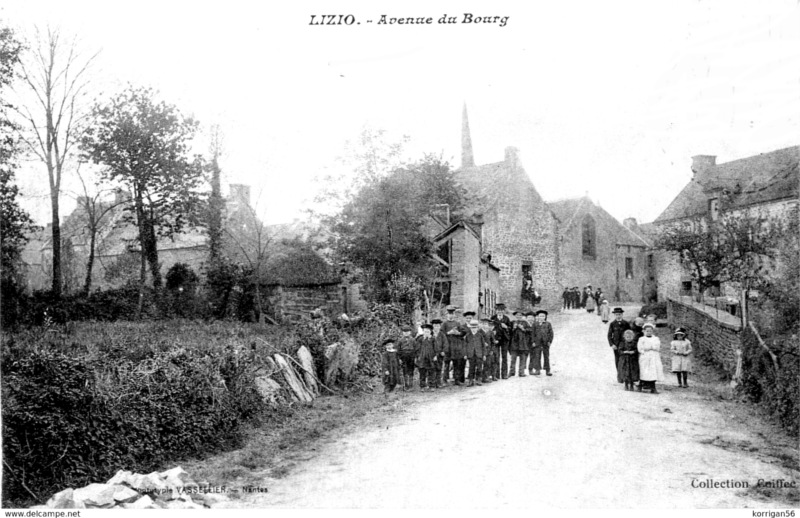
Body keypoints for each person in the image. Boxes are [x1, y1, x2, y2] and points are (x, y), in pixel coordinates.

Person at [441, 305, 466, 385]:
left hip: (455, 347)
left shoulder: (457, 323)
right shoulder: (444, 324)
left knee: (456, 363)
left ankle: (456, 379)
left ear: (454, 315)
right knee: (446, 363)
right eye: (449, 314)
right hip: (447, 346)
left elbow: (464, 332)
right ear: (447, 315)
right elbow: (441, 334)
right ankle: (445, 379)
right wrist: (449, 333)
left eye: (452, 314)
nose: (451, 315)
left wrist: (458, 333)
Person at [637, 322, 664, 393]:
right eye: (647, 331)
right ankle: (640, 385)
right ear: (644, 331)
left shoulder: (656, 339)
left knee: (653, 371)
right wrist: (647, 348)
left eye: (650, 331)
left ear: (652, 331)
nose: (649, 332)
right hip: (645, 356)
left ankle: (653, 387)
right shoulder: (642, 339)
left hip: (654, 356)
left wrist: (650, 347)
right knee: (644, 370)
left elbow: (657, 347)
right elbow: (640, 348)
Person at [490, 303, 513, 379]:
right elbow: (490, 327)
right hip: (495, 340)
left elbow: (510, 328)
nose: (500, 312)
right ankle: (496, 374)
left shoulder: (506, 318)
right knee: (496, 356)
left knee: (504, 357)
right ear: (496, 311)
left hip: (504, 340)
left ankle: (504, 374)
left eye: (501, 310)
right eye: (498, 310)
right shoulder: (493, 318)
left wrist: (506, 327)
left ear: (504, 311)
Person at [607, 307, 630, 378]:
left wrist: (628, 342)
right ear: (614, 315)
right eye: (616, 314)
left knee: (625, 360)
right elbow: (609, 335)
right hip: (616, 345)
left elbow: (630, 333)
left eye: (619, 314)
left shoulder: (626, 323)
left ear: (622, 315)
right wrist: (612, 344)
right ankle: (619, 375)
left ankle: (626, 375)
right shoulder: (612, 324)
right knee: (617, 360)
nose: (618, 316)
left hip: (624, 344)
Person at [530, 309, 554, 376]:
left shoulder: (548, 324)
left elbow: (551, 333)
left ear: (545, 317)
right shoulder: (535, 324)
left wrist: (549, 341)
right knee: (537, 356)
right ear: (538, 317)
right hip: (537, 343)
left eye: (543, 316)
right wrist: (533, 342)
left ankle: (547, 370)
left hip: (545, 343)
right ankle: (537, 370)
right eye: (540, 316)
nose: (541, 317)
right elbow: (532, 334)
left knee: (546, 356)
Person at [464, 318, 486, 386]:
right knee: (471, 368)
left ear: (477, 328)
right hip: (471, 354)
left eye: (475, 328)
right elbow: (465, 345)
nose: (473, 329)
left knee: (479, 367)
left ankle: (478, 380)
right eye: (472, 328)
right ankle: (471, 380)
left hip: (479, 354)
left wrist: (484, 354)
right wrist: (465, 354)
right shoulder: (468, 336)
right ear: (470, 328)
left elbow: (483, 346)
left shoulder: (480, 335)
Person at [415, 324, 437, 392]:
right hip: (422, 358)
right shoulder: (420, 339)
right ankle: (422, 386)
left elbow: (436, 348)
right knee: (422, 373)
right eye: (425, 331)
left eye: (428, 331)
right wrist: (418, 356)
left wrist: (436, 355)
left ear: (430, 332)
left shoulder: (433, 339)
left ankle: (432, 385)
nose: (426, 333)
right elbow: (417, 349)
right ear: (423, 331)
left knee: (431, 372)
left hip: (431, 358)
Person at [509, 310, 530, 376]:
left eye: (520, 315)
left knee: (522, 358)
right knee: (513, 358)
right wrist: (513, 328)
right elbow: (508, 331)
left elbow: (530, 330)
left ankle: (521, 372)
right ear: (515, 316)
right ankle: (512, 372)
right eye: (517, 315)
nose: (519, 316)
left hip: (522, 343)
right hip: (514, 343)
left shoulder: (525, 323)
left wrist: (523, 329)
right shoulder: (512, 322)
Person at [397, 325, 417, 391]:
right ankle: (406, 385)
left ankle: (411, 385)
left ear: (410, 332)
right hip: (403, 356)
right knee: (405, 370)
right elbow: (398, 350)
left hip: (411, 356)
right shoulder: (400, 340)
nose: (406, 333)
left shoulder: (413, 340)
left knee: (411, 370)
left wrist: (416, 357)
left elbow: (416, 349)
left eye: (407, 331)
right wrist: (399, 358)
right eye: (404, 331)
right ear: (402, 332)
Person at [431, 318, 448, 389]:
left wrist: (444, 351)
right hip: (432, 355)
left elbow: (445, 344)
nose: (436, 327)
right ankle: (432, 383)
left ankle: (438, 382)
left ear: (440, 326)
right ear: (432, 326)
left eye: (438, 326)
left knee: (439, 368)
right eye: (435, 326)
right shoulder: (430, 334)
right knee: (432, 368)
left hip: (440, 354)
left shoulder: (442, 334)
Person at [479, 318, 497, 383]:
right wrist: (483, 343)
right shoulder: (479, 332)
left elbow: (493, 342)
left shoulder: (490, 332)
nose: (484, 325)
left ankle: (485, 377)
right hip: (481, 351)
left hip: (488, 351)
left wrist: (492, 350)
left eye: (486, 324)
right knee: (480, 364)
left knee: (487, 364)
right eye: (483, 324)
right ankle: (479, 377)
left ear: (488, 325)